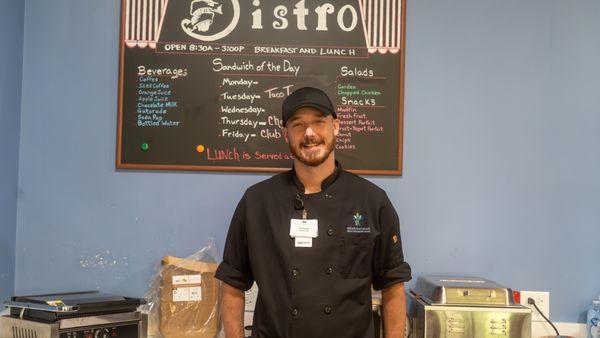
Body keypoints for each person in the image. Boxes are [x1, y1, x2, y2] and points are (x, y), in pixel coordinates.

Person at [215, 87, 412, 338]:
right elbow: (232, 282)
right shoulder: (257, 202)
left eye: (319, 122)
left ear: (336, 127)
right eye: (298, 125)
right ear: (286, 134)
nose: (309, 133)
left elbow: (392, 285)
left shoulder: (372, 201)